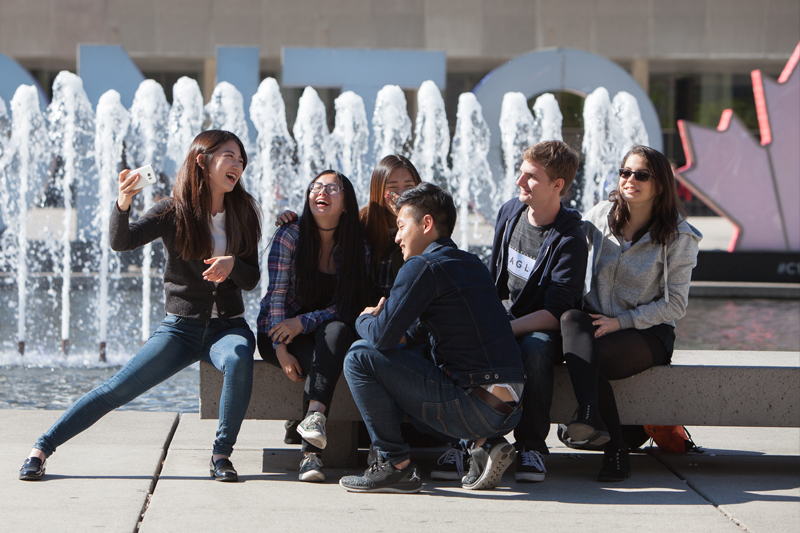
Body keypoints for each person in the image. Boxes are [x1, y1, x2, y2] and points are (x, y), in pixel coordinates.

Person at [19, 130, 261, 482]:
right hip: (180, 328)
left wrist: (233, 267)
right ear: (202, 161)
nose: (237, 165)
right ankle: (42, 448)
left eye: (241, 160)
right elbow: (122, 241)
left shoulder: (244, 211)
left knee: (239, 358)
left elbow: (251, 278)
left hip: (228, 327)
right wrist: (123, 202)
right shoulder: (171, 211)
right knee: (116, 389)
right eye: (229, 156)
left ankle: (221, 455)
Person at [339, 183, 525, 494]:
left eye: (401, 226)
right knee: (405, 366)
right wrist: (393, 328)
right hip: (512, 406)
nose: (397, 237)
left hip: (476, 405)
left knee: (359, 356)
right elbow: (418, 334)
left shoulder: (422, 266)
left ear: (426, 224)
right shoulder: (471, 264)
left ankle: (394, 464)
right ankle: (484, 444)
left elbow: (381, 339)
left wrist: (366, 317)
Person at [561, 145, 701, 481]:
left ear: (661, 185)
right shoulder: (598, 218)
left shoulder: (679, 236)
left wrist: (620, 322)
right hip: (596, 322)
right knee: (570, 320)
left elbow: (675, 305)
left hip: (646, 332)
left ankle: (616, 447)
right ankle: (593, 415)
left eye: (642, 175)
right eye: (625, 172)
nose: (630, 180)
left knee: (593, 357)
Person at [256, 170, 371, 483]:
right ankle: (310, 447)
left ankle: (310, 440)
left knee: (338, 331)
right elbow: (276, 298)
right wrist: (281, 350)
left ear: (346, 203)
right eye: (317, 187)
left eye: (333, 188)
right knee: (327, 362)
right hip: (277, 333)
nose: (323, 192)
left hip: (321, 333)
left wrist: (303, 321)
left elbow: (345, 307)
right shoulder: (289, 235)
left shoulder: (356, 248)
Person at [485, 141, 587, 483]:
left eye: (530, 177)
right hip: (505, 319)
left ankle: (531, 447)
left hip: (542, 327)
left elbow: (558, 312)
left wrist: (503, 329)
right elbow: (494, 280)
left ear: (557, 186)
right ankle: (473, 440)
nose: (519, 182)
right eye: (521, 172)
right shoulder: (510, 212)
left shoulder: (570, 238)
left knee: (536, 346)